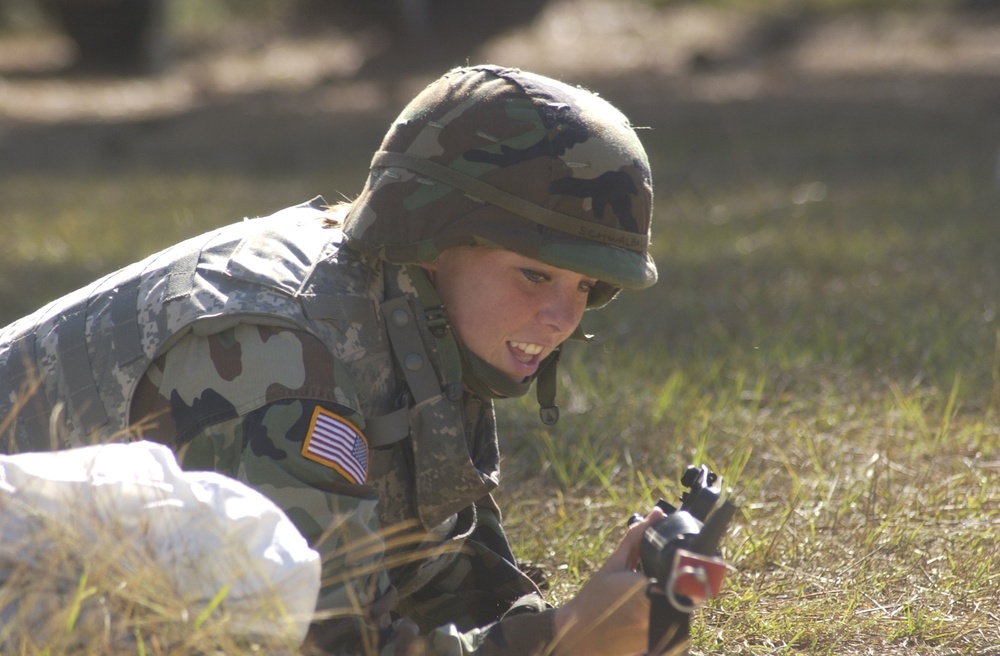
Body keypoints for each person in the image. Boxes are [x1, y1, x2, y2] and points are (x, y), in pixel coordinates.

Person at [0, 64, 679, 655]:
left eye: (586, 287)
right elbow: (319, 645)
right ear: (432, 241)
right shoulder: (277, 361)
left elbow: (435, 576)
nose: (564, 318)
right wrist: (562, 641)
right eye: (536, 276)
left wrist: (574, 624)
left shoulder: (419, 319)